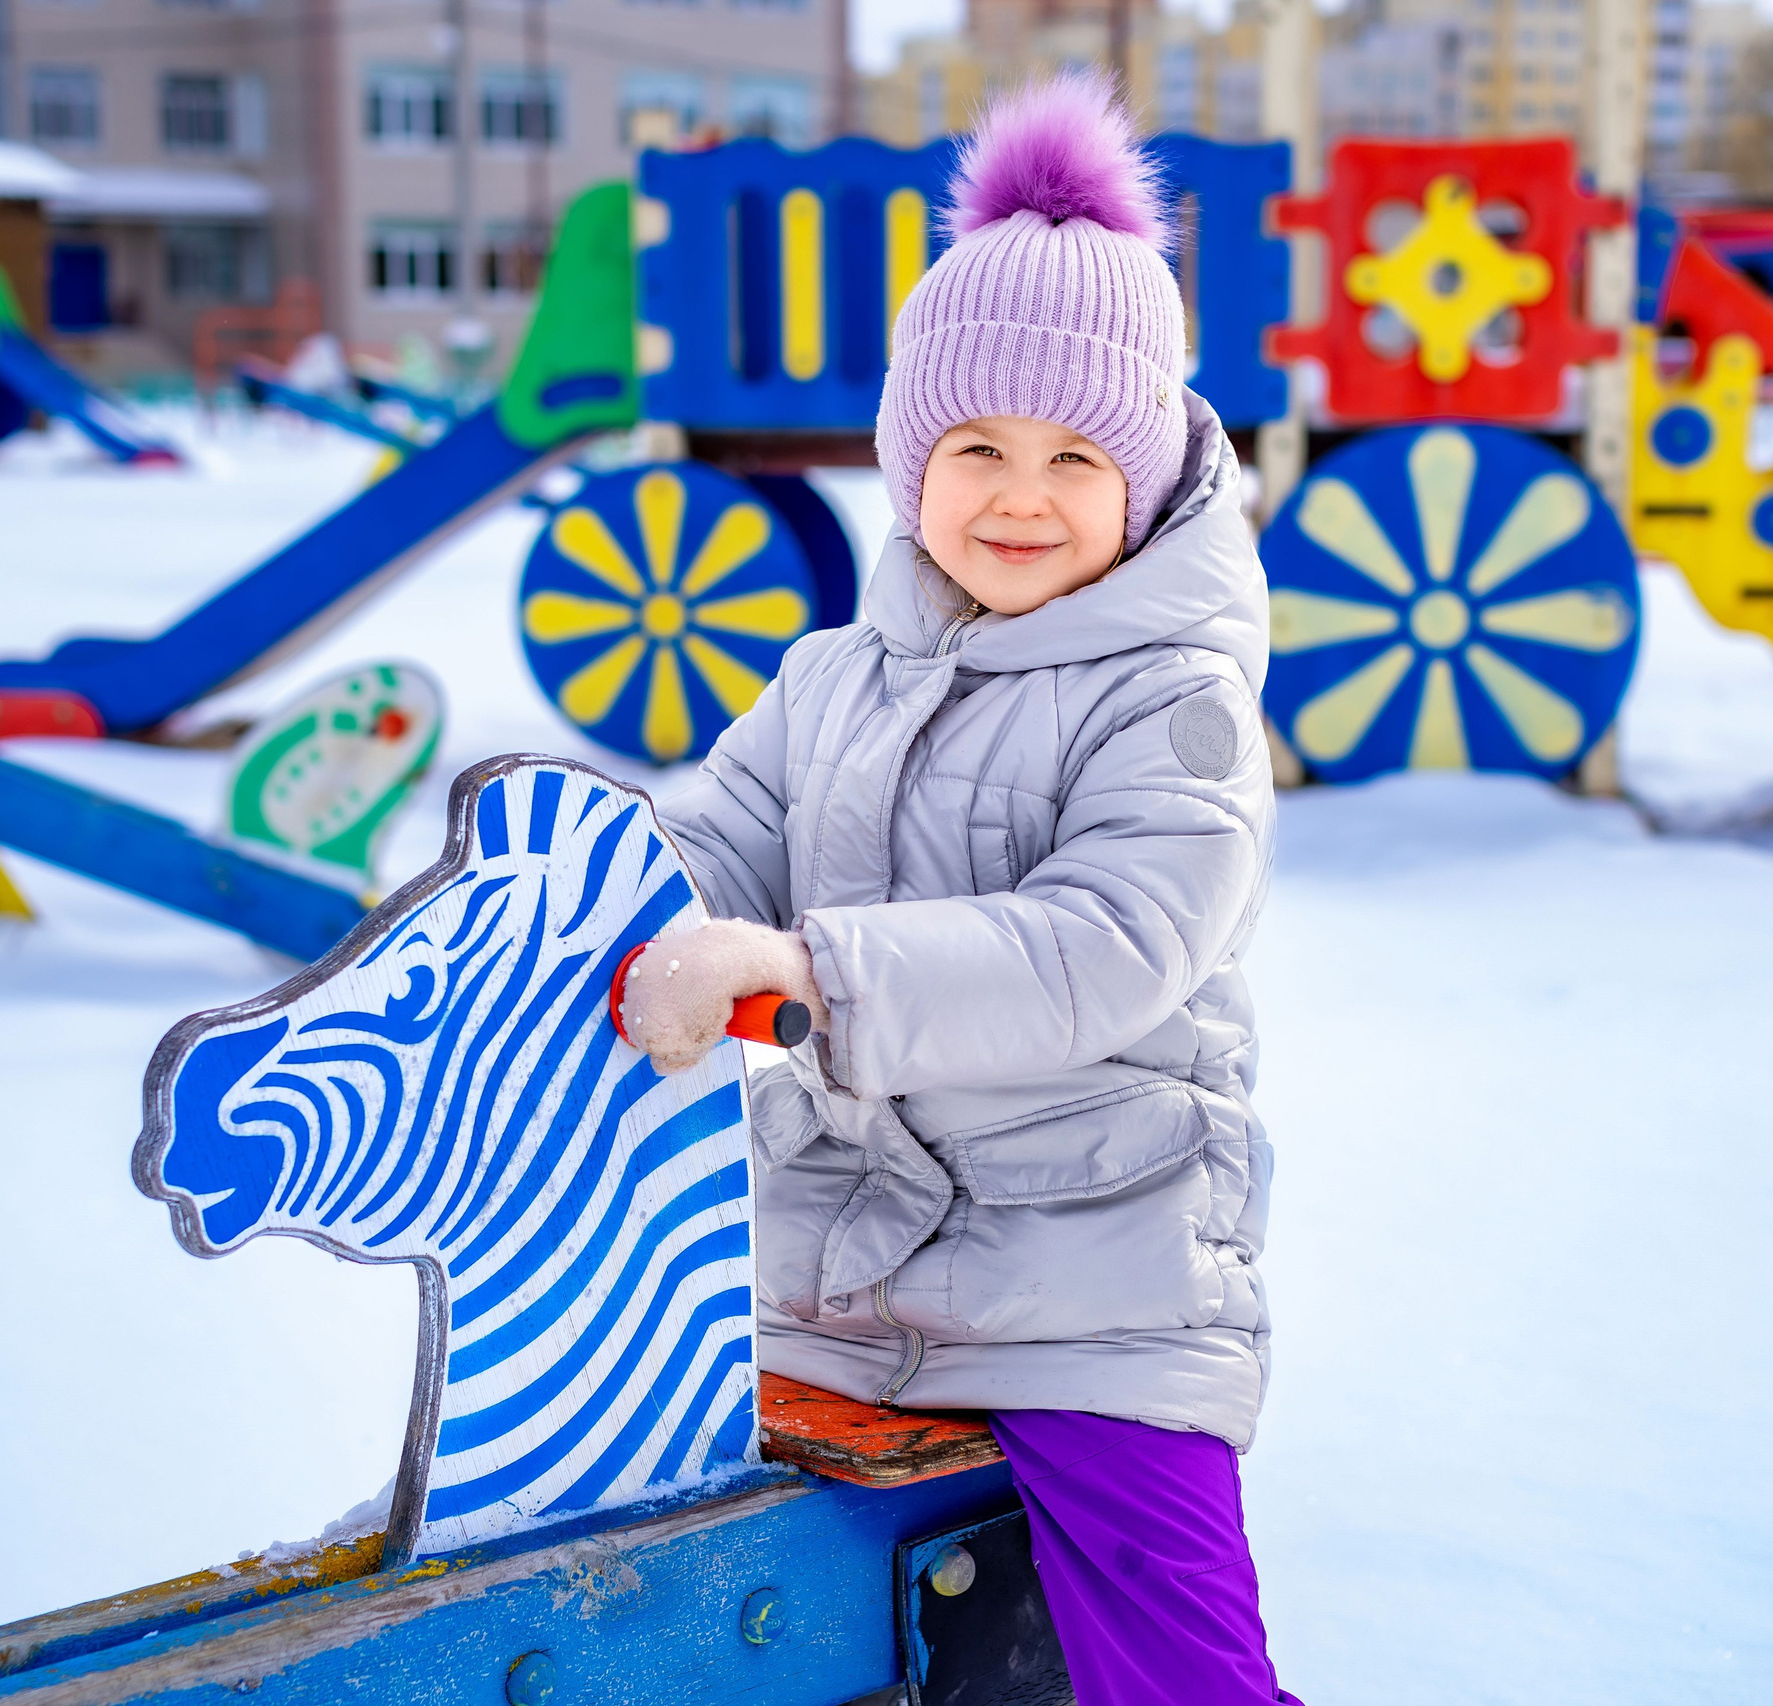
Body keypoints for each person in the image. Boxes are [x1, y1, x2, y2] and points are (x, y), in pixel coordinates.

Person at [621, 73, 1291, 1706]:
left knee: (1176, 1661)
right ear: (908, 456)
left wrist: (809, 969)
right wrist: (600, 909)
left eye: (1075, 456)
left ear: (1143, 481)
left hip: (1097, 1292)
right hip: (830, 1282)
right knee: (670, 1580)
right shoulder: (831, 678)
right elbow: (712, 841)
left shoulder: (1174, 700)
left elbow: (1101, 947)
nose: (1018, 495)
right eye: (975, 444)